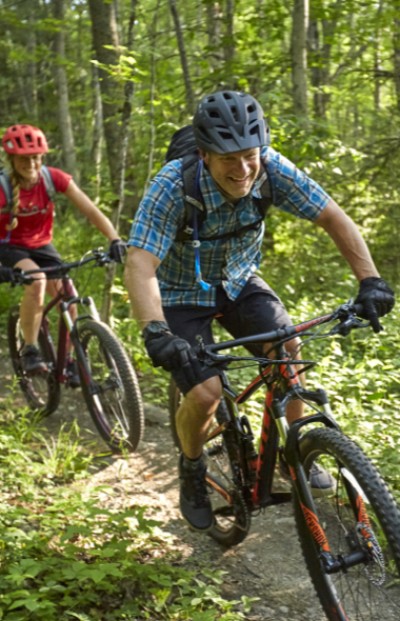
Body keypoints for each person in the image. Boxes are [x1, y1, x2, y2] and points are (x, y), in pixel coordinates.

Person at [124, 90, 394, 532]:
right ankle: (192, 468)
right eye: (229, 158)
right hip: (178, 293)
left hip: (239, 280)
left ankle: (298, 453)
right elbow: (140, 262)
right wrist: (155, 329)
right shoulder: (173, 185)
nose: (243, 168)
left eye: (249, 155)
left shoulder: (270, 168)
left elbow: (333, 217)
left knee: (287, 348)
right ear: (205, 154)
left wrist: (371, 281)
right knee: (206, 394)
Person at [0, 124, 126, 376]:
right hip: (8, 246)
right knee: (37, 281)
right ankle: (30, 350)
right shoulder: (3, 188)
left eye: (35, 157)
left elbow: (90, 210)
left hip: (42, 245)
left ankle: (68, 360)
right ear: (12, 159)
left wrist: (114, 239)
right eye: (24, 158)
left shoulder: (52, 178)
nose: (31, 164)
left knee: (69, 295)